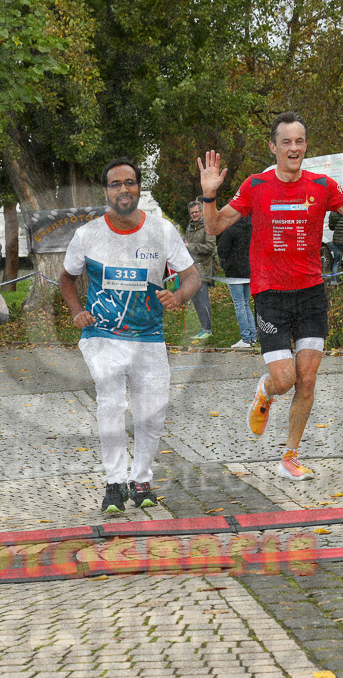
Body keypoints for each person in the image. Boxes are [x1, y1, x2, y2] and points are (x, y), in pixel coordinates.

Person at [197, 111, 343, 481]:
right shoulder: (256, 186)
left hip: (311, 293)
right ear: (274, 146)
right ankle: (265, 391)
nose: (293, 148)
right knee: (285, 380)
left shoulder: (322, 185)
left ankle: (289, 457)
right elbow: (214, 226)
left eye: (299, 141)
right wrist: (209, 194)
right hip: (271, 296)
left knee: (308, 380)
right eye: (286, 142)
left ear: (305, 145)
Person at [60, 157, 200, 513]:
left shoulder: (162, 231)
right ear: (106, 191)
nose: (124, 189)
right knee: (110, 405)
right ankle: (113, 484)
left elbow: (192, 276)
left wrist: (179, 295)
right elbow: (66, 277)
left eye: (130, 182)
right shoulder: (87, 234)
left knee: (150, 414)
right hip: (102, 336)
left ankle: (141, 481)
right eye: (115, 184)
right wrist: (78, 311)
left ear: (139, 187)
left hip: (149, 336)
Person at [216, 215, 257, 348]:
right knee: (245, 303)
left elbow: (222, 250)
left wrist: (225, 263)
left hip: (234, 272)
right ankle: (252, 337)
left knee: (239, 304)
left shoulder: (230, 229)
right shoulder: (251, 227)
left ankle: (246, 338)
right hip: (248, 269)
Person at [183, 199, 216, 341]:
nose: (194, 215)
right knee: (196, 301)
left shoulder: (208, 226)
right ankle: (203, 328)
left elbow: (210, 248)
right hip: (191, 271)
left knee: (203, 300)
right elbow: (185, 244)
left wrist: (190, 246)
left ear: (201, 212)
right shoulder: (189, 227)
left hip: (203, 269)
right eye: (192, 213)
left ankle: (208, 329)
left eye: (196, 212)